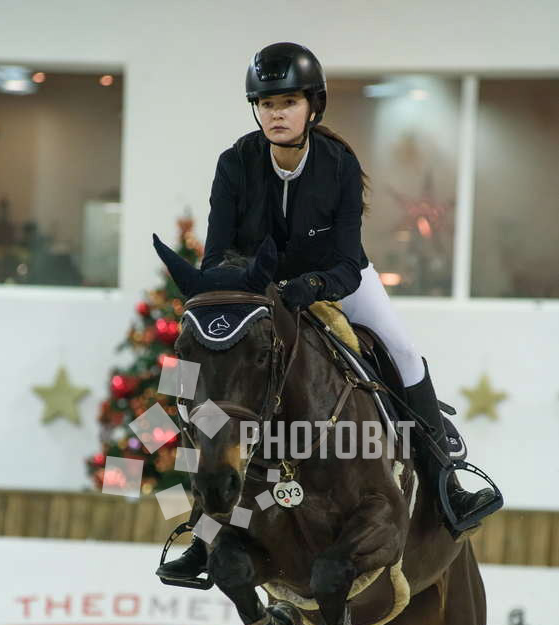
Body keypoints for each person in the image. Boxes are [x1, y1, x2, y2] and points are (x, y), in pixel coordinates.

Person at [157, 41, 501, 583]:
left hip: (338, 282)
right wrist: (243, 292)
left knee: (403, 351)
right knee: (214, 376)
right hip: (258, 290)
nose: (276, 113)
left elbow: (344, 260)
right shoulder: (235, 163)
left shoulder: (338, 164)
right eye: (266, 104)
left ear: (312, 106)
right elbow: (219, 251)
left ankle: (447, 479)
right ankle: (203, 534)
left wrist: (312, 285)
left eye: (288, 102)